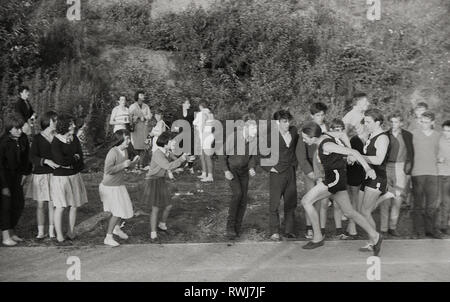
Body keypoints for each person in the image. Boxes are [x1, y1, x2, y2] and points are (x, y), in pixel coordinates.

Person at [300, 122, 383, 256]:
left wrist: (366, 168)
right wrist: (349, 150)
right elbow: (343, 134)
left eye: (305, 138)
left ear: (313, 137)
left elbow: (354, 152)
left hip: (334, 179)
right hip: (337, 177)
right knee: (349, 212)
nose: (303, 140)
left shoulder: (327, 145)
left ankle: (317, 237)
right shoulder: (326, 134)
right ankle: (376, 236)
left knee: (306, 201)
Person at [141, 132, 188, 243]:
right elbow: (168, 166)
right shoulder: (157, 154)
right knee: (156, 207)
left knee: (168, 205)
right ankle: (153, 233)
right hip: (153, 181)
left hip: (161, 180)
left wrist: (186, 159)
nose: (174, 143)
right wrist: (182, 159)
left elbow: (175, 159)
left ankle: (162, 224)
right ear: (165, 143)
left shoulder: (167, 152)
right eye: (172, 141)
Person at [51, 114, 88, 244]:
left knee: (74, 205)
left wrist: (73, 160)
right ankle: (59, 235)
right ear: (64, 125)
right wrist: (74, 158)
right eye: (71, 124)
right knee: (60, 206)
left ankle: (71, 232)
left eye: (73, 123)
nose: (73, 126)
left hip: (74, 176)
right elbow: (60, 161)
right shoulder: (56, 142)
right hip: (61, 178)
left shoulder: (74, 139)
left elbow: (81, 158)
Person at [262, 110, 299, 241]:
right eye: (284, 121)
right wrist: (270, 168)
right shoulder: (269, 137)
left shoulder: (294, 132)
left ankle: (289, 230)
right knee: (275, 203)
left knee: (291, 202)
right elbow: (260, 155)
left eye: (289, 121)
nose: (287, 124)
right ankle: (274, 231)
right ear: (276, 123)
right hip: (277, 173)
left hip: (291, 172)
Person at [357, 109, 390, 252]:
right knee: (361, 210)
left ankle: (374, 240)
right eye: (365, 121)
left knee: (365, 211)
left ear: (378, 122)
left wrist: (359, 156)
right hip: (367, 177)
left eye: (368, 122)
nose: (366, 124)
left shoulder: (382, 138)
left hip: (377, 178)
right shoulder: (371, 135)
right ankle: (373, 239)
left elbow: (379, 159)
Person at [99, 129, 140, 247]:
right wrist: (123, 165)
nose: (129, 141)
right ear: (120, 140)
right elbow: (108, 170)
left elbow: (127, 167)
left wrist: (133, 163)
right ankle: (108, 237)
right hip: (109, 187)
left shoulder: (125, 151)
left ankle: (117, 228)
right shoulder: (113, 152)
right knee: (117, 212)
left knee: (123, 208)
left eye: (128, 138)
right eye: (126, 138)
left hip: (119, 185)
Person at [222, 114, 258, 240]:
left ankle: (237, 227)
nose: (256, 132)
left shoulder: (253, 139)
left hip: (243, 172)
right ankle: (229, 227)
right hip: (232, 170)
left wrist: (252, 167)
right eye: (254, 129)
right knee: (237, 194)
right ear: (246, 128)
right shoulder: (234, 137)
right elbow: (222, 154)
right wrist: (226, 170)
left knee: (243, 199)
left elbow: (253, 156)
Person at [296, 102, 329, 239]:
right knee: (310, 200)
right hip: (311, 171)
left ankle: (322, 229)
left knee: (325, 202)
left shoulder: (328, 130)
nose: (320, 117)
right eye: (317, 115)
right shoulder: (305, 130)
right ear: (312, 115)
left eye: (322, 114)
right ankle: (309, 228)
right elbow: (301, 156)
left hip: (326, 170)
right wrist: (312, 174)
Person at [379, 111, 414, 237]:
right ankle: (383, 229)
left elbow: (411, 154)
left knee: (398, 199)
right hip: (387, 168)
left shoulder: (408, 135)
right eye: (392, 121)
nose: (394, 124)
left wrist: (408, 171)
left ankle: (392, 227)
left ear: (401, 123)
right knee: (385, 199)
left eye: (396, 122)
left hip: (401, 168)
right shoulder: (384, 135)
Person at [26, 111, 59, 240]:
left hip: (55, 175)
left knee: (52, 204)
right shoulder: (38, 138)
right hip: (40, 175)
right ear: (48, 121)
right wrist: (45, 161)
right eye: (54, 120)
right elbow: (32, 157)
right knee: (40, 205)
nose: (57, 122)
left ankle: (51, 231)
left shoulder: (58, 137)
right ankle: (41, 232)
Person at [0, 114, 32, 246]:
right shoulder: (3, 142)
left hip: (18, 176)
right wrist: (4, 186)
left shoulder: (23, 138)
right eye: (16, 128)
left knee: (18, 204)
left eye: (20, 128)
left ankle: (12, 232)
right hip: (4, 178)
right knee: (5, 206)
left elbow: (26, 158)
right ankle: (5, 236)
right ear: (9, 129)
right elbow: (0, 166)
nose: (20, 131)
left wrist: (26, 173)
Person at [410, 111, 442, 239]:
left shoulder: (438, 136)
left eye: (426, 122)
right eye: (422, 122)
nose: (423, 124)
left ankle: (432, 230)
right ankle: (418, 232)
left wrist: (441, 158)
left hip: (433, 173)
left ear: (433, 122)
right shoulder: (413, 134)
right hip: (417, 173)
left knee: (431, 205)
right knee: (418, 205)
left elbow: (442, 152)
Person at [345, 118, 368, 238]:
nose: (358, 128)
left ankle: (352, 226)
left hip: (366, 174)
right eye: (356, 126)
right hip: (354, 173)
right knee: (354, 201)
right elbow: (351, 158)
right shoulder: (354, 140)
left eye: (361, 125)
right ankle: (352, 228)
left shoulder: (370, 139)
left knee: (361, 202)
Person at [129, 91, 152, 170]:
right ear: (138, 96)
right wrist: (137, 118)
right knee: (136, 147)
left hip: (144, 129)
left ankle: (141, 164)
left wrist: (144, 117)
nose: (143, 96)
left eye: (143, 94)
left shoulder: (146, 106)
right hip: (136, 129)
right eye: (141, 95)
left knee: (143, 147)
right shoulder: (132, 106)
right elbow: (130, 117)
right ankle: (136, 165)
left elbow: (150, 116)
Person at [193, 101, 215, 182]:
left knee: (206, 157)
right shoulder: (210, 113)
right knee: (204, 156)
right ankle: (205, 173)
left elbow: (195, 122)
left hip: (205, 136)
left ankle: (210, 176)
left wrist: (199, 128)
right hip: (209, 135)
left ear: (200, 106)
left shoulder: (201, 113)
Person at [173, 99, 196, 174]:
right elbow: (174, 123)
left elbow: (196, 121)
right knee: (181, 150)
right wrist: (176, 128)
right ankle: (180, 166)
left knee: (191, 150)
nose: (189, 105)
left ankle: (190, 167)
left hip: (189, 133)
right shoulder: (178, 112)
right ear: (183, 104)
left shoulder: (192, 112)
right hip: (180, 134)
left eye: (189, 104)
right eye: (187, 103)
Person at [437, 120, 450, 234]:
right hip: (443, 175)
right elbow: (433, 154)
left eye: (448, 131)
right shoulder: (439, 140)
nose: (446, 133)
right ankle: (443, 226)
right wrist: (438, 159)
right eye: (445, 130)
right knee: (444, 201)